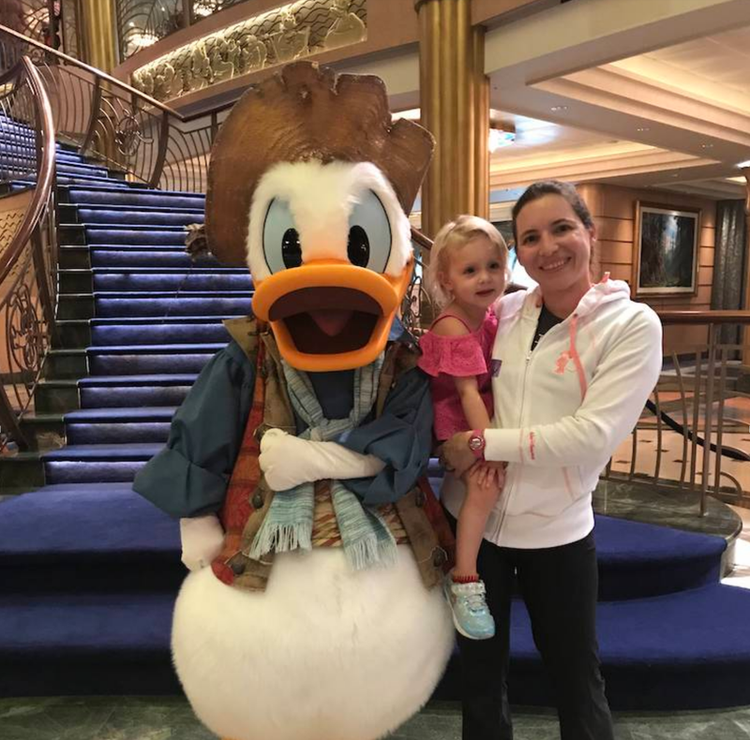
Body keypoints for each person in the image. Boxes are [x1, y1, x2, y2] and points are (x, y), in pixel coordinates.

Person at [442, 180, 663, 740]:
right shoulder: (508, 310)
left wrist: (479, 445)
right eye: (531, 237)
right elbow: (458, 377)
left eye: (563, 228)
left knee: (576, 680)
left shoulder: (632, 326)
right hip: (477, 521)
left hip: (557, 533)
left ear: (591, 233)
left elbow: (590, 436)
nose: (549, 247)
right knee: (480, 681)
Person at [418, 215, 508, 640]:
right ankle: (465, 580)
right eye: (470, 270)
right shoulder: (454, 325)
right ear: (447, 281)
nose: (484, 278)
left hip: (479, 413)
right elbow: (468, 394)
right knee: (486, 485)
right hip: (455, 419)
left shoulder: (488, 314)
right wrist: (488, 447)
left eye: (493, 266)